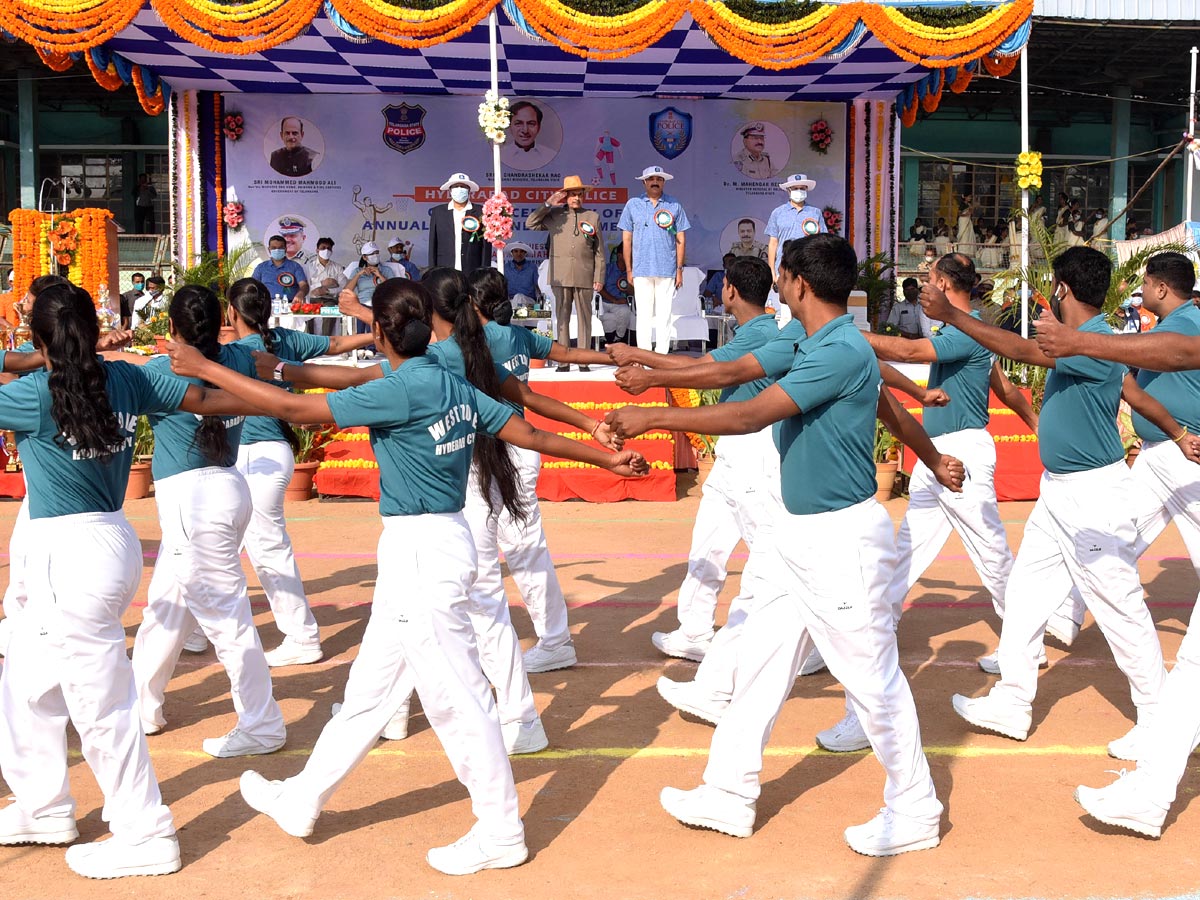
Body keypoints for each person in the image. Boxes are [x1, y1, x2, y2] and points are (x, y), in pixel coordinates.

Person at [164, 282, 643, 877]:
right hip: (432, 546)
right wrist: (605, 455)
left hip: (422, 553)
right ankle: (304, 797)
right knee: (369, 691)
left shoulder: (399, 390)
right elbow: (530, 432)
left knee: (457, 697)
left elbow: (289, 409)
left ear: (384, 333)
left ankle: (500, 829)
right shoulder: (451, 383)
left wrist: (208, 366)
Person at [606, 234, 953, 856]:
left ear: (795, 283)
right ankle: (728, 792)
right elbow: (735, 373)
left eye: (781, 275)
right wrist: (651, 372)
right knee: (761, 665)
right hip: (795, 535)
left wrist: (656, 416)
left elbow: (749, 413)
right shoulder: (811, 338)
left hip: (838, 541)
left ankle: (915, 806)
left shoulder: (839, 350)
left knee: (873, 680)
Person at [0, 281, 251, 879]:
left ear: (39, 336)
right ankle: (43, 805)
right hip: (105, 541)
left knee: (102, 705)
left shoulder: (33, 393)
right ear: (92, 329)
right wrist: (272, 396)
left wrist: (32, 352)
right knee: (27, 678)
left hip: (68, 552)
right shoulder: (123, 378)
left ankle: (145, 832)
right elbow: (202, 397)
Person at [922, 247, 1173, 748]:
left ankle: (1160, 719)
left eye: (1050, 289)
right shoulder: (1082, 337)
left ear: (1061, 289)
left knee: (1119, 604)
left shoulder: (1096, 340)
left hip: (1092, 497)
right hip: (1059, 492)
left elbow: (1024, 351)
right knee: (1025, 594)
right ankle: (1013, 702)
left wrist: (952, 315)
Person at [816, 254, 1046, 752]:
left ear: (944, 285)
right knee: (906, 555)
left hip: (959, 454)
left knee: (993, 559)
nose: (922, 289)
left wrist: (841, 333)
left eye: (929, 281)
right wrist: (1034, 424)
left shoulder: (964, 330)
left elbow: (909, 349)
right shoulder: (968, 331)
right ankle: (881, 632)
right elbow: (1002, 386)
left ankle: (1025, 645)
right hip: (940, 456)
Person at [1027, 253, 1200, 833]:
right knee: (1192, 661)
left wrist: (1081, 343)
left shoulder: (1186, 326)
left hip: (1166, 466)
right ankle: (1151, 794)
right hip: (1157, 462)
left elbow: (1180, 355)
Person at [129, 286, 286, 758]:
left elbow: (125, 373)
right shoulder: (238, 356)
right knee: (167, 606)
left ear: (173, 329)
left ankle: (262, 721)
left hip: (194, 501)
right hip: (226, 491)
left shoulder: (164, 370)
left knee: (227, 620)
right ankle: (141, 706)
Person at [225, 278, 375, 666]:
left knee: (261, 546)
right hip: (266, 455)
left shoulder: (235, 353)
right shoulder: (283, 341)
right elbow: (338, 345)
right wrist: (373, 333)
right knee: (225, 544)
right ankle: (196, 627)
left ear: (232, 313)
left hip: (251, 456)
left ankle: (302, 636)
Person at [526, 175, 606, 366]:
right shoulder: (555, 216)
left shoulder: (592, 217)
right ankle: (563, 362)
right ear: (565, 196)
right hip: (560, 275)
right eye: (571, 195)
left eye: (579, 195)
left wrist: (599, 276)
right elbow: (530, 223)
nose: (576, 198)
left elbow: (599, 251)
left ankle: (584, 360)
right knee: (561, 319)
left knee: (585, 319)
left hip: (585, 274)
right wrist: (547, 204)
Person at [618, 166, 689, 355]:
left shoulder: (674, 205)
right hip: (641, 268)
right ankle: (644, 355)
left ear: (664, 182)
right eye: (651, 179)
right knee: (643, 316)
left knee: (665, 315)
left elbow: (680, 239)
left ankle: (662, 355)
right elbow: (626, 239)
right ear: (644, 182)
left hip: (667, 268)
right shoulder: (633, 204)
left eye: (659, 179)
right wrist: (629, 269)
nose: (655, 182)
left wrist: (679, 269)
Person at [764, 173, 826, 325]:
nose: (799, 191)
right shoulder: (778, 213)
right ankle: (786, 346)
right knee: (785, 313)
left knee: (807, 309)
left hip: (808, 267)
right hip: (784, 268)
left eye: (802, 188)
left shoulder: (815, 212)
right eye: (795, 188)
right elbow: (773, 243)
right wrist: (772, 270)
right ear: (788, 191)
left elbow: (822, 240)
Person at [429, 173, 488, 277]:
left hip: (472, 271)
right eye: (456, 186)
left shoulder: (481, 211)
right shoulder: (438, 212)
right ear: (450, 190)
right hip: (444, 272)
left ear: (469, 190)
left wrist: (484, 272)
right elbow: (433, 244)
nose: (460, 189)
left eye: (463, 186)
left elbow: (485, 246)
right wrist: (432, 272)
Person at [343, 242, 404, 313]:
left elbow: (393, 291)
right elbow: (347, 291)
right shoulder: (357, 271)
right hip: (362, 305)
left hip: (382, 305)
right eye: (372, 254)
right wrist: (358, 274)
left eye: (377, 252)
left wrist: (380, 275)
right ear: (364, 257)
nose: (375, 255)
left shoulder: (386, 270)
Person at [251, 236, 309, 304]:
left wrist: (301, 293)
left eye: (280, 248)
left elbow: (304, 285)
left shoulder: (295, 266)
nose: (277, 250)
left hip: (290, 305)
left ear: (285, 249)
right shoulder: (261, 268)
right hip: (266, 305)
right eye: (274, 248)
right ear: (269, 249)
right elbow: (252, 286)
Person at [501, 101, 555, 171]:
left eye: (531, 124)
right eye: (518, 123)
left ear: (539, 127)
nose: (525, 130)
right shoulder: (500, 155)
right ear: (509, 126)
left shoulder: (549, 155)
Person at [598, 248, 633, 344]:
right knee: (597, 314)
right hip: (604, 301)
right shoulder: (608, 268)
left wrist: (628, 286)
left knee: (625, 311)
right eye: (626, 253)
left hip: (619, 302)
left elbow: (632, 293)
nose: (630, 256)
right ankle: (600, 338)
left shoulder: (630, 272)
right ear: (619, 255)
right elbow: (600, 288)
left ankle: (618, 338)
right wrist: (614, 300)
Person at [502, 242, 542, 310]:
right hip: (511, 302)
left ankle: (516, 316)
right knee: (517, 299)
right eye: (516, 251)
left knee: (519, 298)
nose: (518, 254)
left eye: (521, 251)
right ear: (512, 253)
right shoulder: (506, 268)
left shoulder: (532, 267)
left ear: (525, 253)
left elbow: (538, 285)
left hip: (529, 302)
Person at [305, 237, 345, 303]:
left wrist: (327, 291)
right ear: (317, 250)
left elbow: (344, 288)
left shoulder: (338, 267)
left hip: (332, 300)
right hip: (312, 300)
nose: (326, 251)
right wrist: (321, 284)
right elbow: (304, 288)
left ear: (331, 251)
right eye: (323, 248)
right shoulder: (309, 267)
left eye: (328, 248)